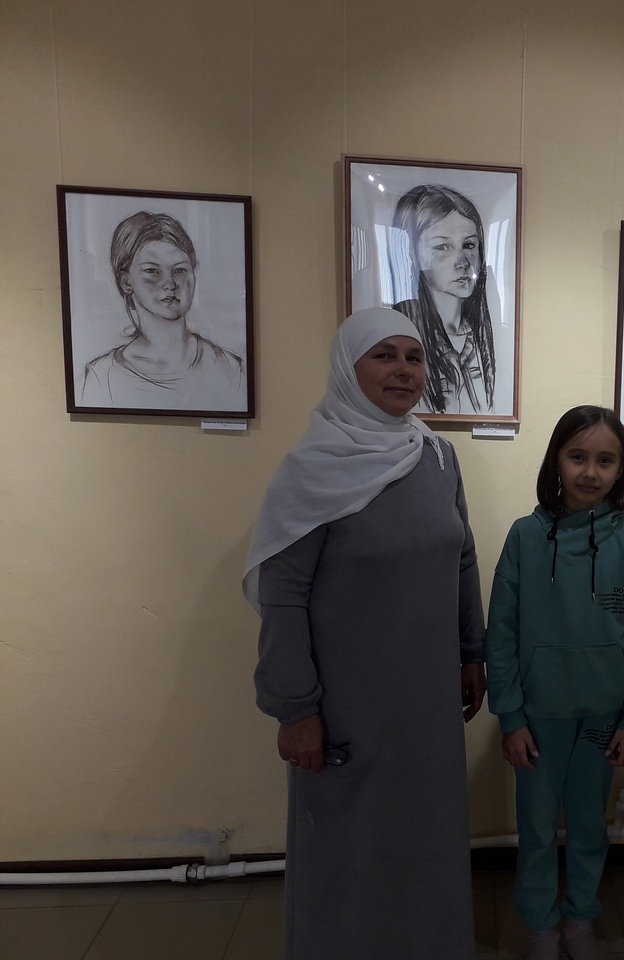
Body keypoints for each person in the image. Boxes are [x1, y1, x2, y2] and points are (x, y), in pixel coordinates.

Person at [244, 307, 487, 960]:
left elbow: (462, 556)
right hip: (347, 709)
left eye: (414, 357)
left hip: (426, 709)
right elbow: (283, 596)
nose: (404, 370)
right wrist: (294, 709)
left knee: (426, 843)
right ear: (347, 371)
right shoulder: (310, 469)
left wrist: (472, 652)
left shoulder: (437, 457)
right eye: (384, 355)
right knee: (348, 853)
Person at [486, 405, 624, 960]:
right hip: (538, 717)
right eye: (577, 456)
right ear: (556, 461)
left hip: (603, 717)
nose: (590, 472)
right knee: (537, 829)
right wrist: (510, 717)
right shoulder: (525, 536)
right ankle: (541, 927)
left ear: (621, 468)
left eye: (605, 460)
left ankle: (581, 919)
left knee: (588, 826)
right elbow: (501, 632)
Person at [81, 210, 244, 410]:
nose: (170, 284)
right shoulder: (102, 376)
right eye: (152, 271)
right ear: (125, 281)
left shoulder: (229, 367)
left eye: (180, 270)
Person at [391, 184, 496, 415]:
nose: (463, 262)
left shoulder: (479, 336)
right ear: (412, 253)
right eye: (442, 247)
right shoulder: (400, 335)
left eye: (469, 245)